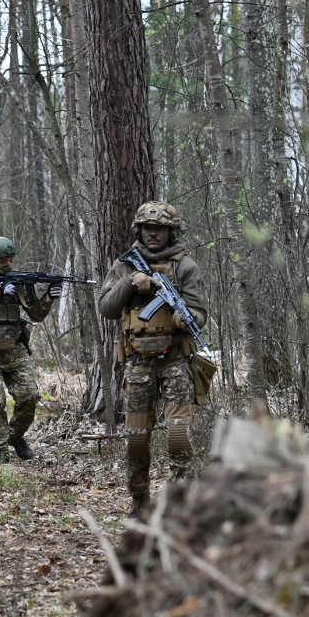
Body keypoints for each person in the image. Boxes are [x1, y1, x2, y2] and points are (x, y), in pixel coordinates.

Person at [98, 201, 209, 513]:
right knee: (136, 439)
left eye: (160, 229)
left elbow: (199, 313)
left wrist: (183, 319)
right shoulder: (124, 265)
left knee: (178, 434)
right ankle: (139, 502)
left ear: (171, 232)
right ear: (139, 230)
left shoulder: (185, 266)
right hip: (137, 363)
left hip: (175, 360)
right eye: (148, 228)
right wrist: (131, 282)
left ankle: (180, 504)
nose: (153, 234)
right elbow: (106, 308)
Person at [0, 236, 61, 462]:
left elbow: (35, 314)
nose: (8, 263)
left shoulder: (17, 280)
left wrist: (48, 298)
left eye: (10, 259)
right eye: (3, 260)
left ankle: (14, 436)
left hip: (15, 348)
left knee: (29, 396)